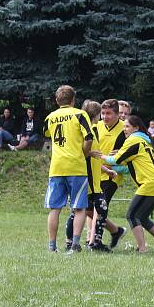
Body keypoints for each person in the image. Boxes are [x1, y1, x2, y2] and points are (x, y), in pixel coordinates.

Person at [101, 115, 154, 253]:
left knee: (132, 215)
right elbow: (128, 168)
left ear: (136, 128)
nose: (124, 130)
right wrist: (114, 165)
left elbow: (115, 159)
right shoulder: (143, 141)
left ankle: (142, 248)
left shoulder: (133, 140)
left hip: (150, 183)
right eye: (124, 127)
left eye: (127, 126)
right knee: (142, 217)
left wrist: (99, 157)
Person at [43, 85, 94, 253]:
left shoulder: (50, 117)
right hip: (76, 166)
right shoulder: (80, 114)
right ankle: (75, 245)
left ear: (57, 101)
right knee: (79, 207)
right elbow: (89, 137)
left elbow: (46, 134)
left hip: (56, 167)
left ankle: (52, 247)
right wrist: (85, 153)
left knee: (55, 208)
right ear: (73, 100)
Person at [64, 99, 112, 252]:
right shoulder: (88, 131)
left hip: (94, 178)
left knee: (81, 210)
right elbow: (84, 152)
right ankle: (91, 242)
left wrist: (106, 170)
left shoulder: (93, 129)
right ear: (96, 115)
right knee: (92, 209)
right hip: (87, 178)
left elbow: (95, 158)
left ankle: (79, 241)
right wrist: (90, 153)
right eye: (100, 114)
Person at [93, 99, 129, 249]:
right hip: (95, 173)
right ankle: (116, 231)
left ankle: (96, 242)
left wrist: (121, 154)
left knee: (100, 208)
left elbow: (132, 151)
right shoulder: (97, 126)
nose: (105, 117)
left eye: (108, 113)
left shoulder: (125, 129)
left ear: (116, 114)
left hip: (112, 175)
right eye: (103, 113)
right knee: (88, 209)